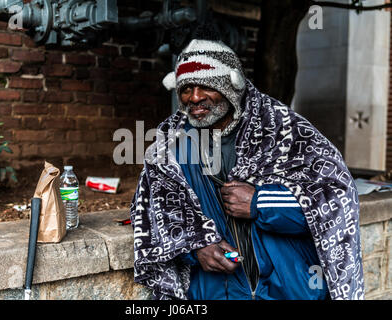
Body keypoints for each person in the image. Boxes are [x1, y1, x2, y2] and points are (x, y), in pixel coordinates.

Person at [130, 39, 364, 300]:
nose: (194, 97)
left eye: (205, 85)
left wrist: (260, 202)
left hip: (290, 290)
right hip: (216, 291)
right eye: (186, 88)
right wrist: (195, 248)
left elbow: (337, 201)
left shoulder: (283, 129)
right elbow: (154, 216)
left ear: (230, 86)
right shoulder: (169, 149)